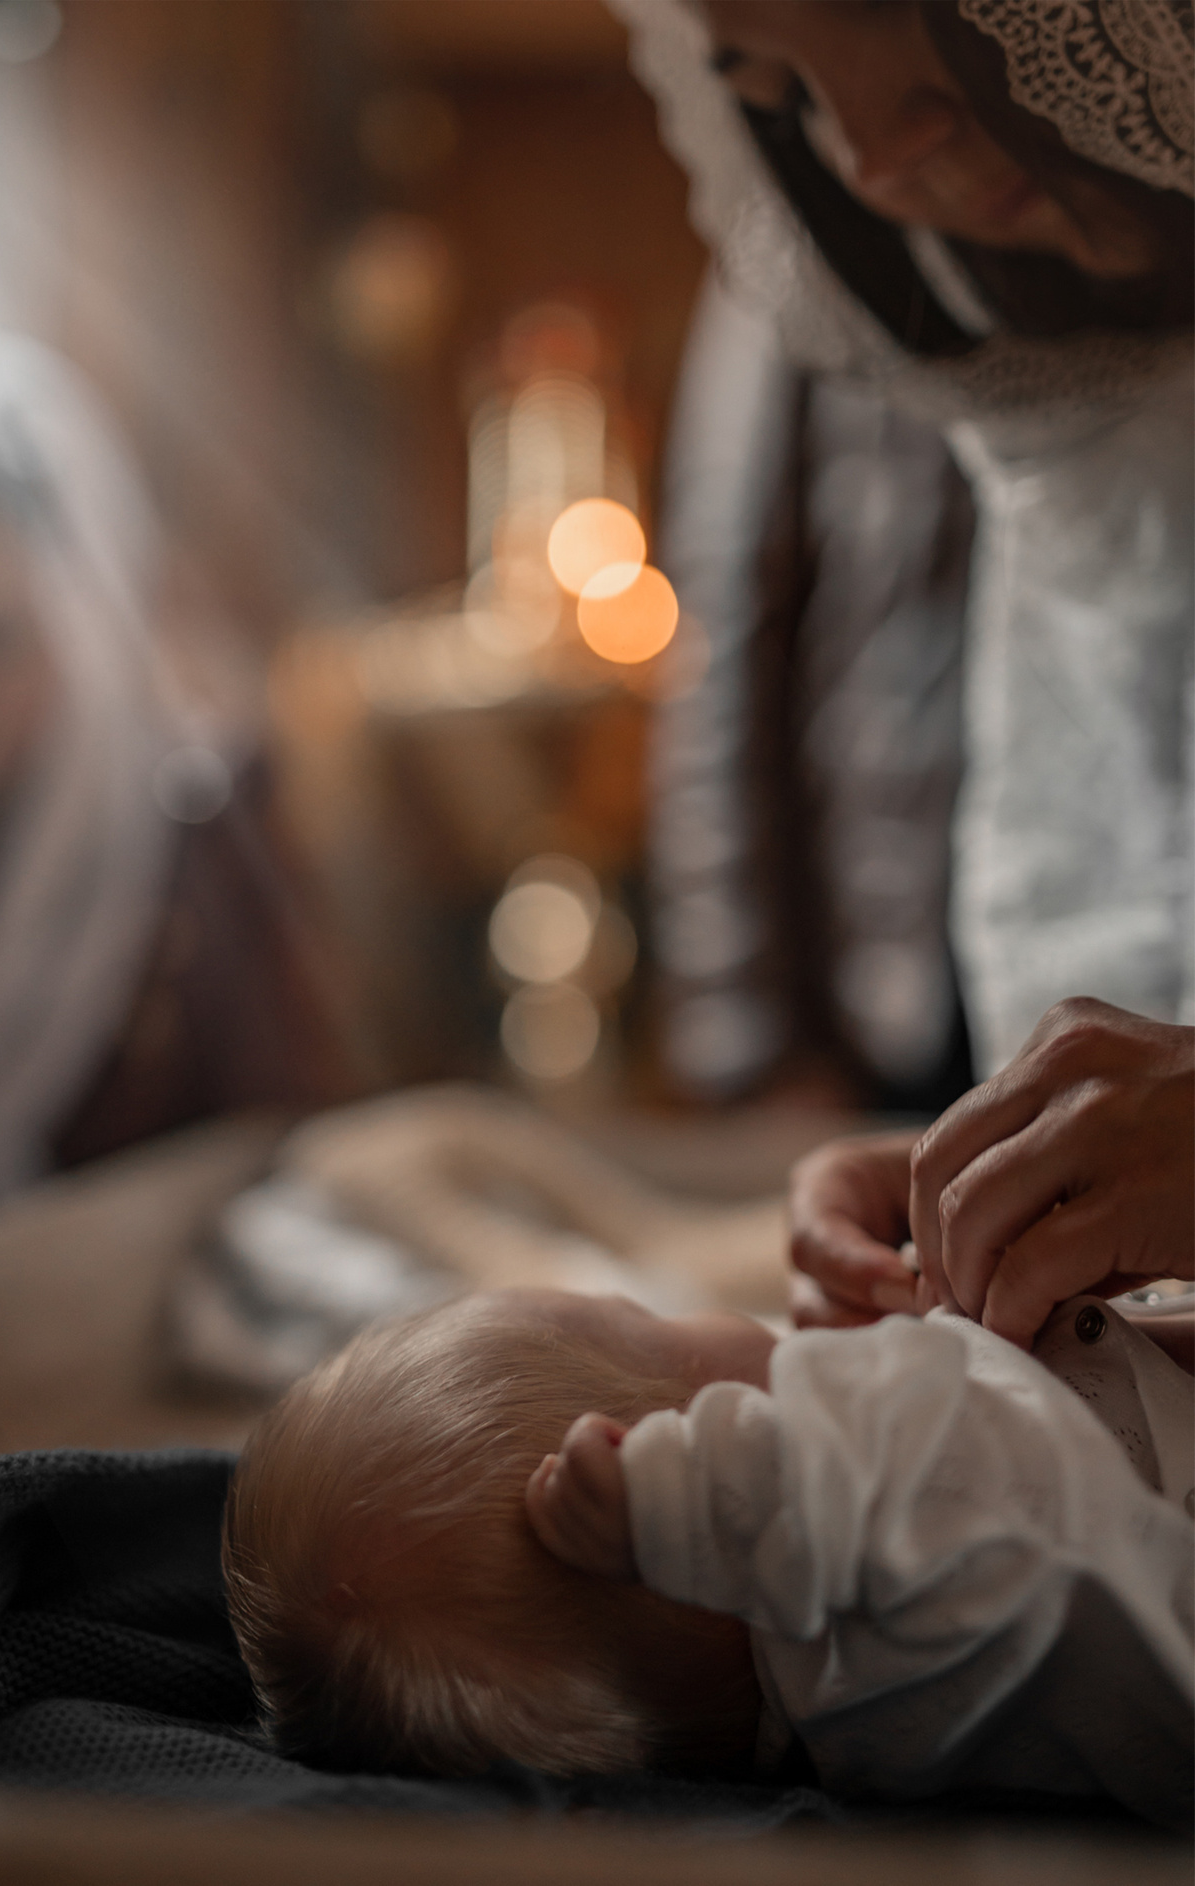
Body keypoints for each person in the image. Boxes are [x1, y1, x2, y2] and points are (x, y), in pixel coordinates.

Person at [608, 0, 1195, 1333]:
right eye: (784, 86)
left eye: (891, 11)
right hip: (896, 937)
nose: (872, 153)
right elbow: (730, 632)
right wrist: (1002, 1175)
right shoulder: (951, 352)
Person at [222, 1286, 1194, 1825]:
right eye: (636, 1314)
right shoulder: (887, 1617)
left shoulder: (862, 1701)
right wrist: (700, 1497)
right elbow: (1000, 1510)